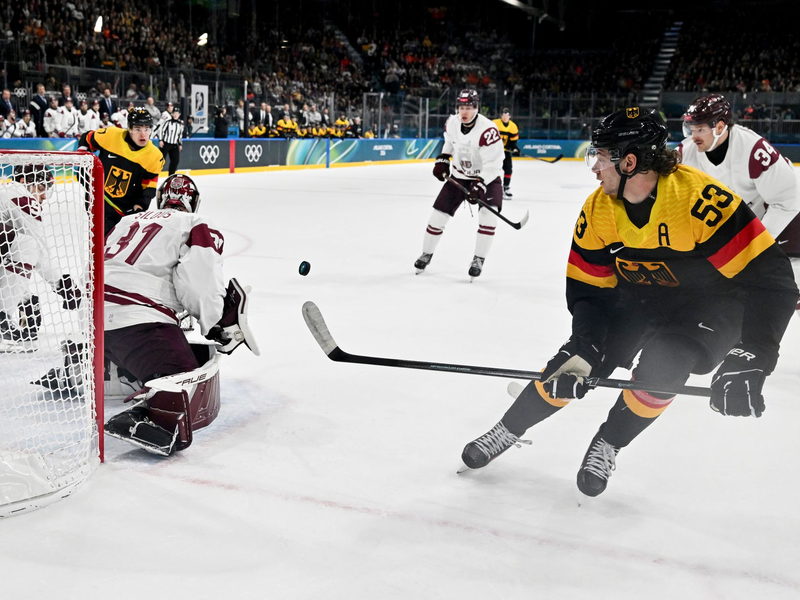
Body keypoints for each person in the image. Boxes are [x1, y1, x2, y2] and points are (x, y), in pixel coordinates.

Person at [459, 107, 798, 499]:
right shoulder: (598, 209)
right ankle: (508, 428)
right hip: (641, 296)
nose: (594, 167)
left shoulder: (701, 201)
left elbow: (772, 281)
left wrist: (754, 352)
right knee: (574, 363)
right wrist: (585, 341)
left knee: (664, 369)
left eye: (601, 157)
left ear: (630, 161)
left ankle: (610, 442)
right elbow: (590, 288)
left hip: (711, 305)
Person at [102, 174, 259, 455]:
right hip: (138, 321)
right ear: (193, 202)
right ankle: (144, 417)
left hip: (93, 319)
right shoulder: (192, 223)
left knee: (121, 338)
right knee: (186, 381)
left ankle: (106, 368)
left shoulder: (127, 221)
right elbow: (198, 280)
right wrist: (212, 323)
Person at [679, 94, 800, 305]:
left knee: (773, 255)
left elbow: (789, 199)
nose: (693, 136)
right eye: (691, 130)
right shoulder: (686, 152)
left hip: (782, 206)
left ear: (719, 127)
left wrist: (757, 242)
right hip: (739, 209)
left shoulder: (753, 149)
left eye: (699, 130)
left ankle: (791, 287)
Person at [413, 89, 504, 279]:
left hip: (486, 177)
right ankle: (426, 254)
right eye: (461, 107)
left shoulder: (488, 130)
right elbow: (449, 143)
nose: (464, 112)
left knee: (489, 216)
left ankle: (479, 259)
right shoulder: (452, 123)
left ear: (476, 108)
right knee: (437, 216)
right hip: (459, 175)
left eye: (469, 108)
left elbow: (494, 165)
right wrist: (443, 159)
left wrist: (480, 184)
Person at [1, 165, 81, 351]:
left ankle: (9, 309)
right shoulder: (19, 196)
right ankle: (1, 318)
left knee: (15, 245)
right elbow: (40, 253)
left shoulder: (6, 192)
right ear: (24, 182)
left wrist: (24, 298)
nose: (44, 196)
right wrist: (63, 285)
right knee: (26, 245)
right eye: (41, 187)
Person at [79, 107, 165, 233]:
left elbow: (149, 185)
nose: (143, 134)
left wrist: (141, 205)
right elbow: (87, 139)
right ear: (129, 129)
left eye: (147, 129)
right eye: (137, 129)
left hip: (124, 213)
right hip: (97, 202)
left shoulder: (154, 156)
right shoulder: (111, 135)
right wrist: (83, 165)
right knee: (100, 248)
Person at [493, 108, 520, 199]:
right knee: (493, 169)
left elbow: (513, 142)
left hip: (505, 151)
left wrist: (515, 148)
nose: (505, 117)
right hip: (494, 151)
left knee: (508, 169)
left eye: (507, 115)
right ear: (501, 115)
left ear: (510, 116)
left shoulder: (513, 126)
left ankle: (506, 188)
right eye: (503, 115)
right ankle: (491, 188)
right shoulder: (495, 123)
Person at [159, 106, 185, 176]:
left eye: (177, 113)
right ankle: (154, 174)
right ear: (172, 114)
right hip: (166, 144)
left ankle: (171, 175)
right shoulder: (167, 122)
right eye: (174, 113)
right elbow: (161, 131)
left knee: (175, 161)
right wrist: (161, 140)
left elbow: (180, 135)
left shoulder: (180, 124)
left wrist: (180, 144)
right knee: (160, 160)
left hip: (174, 145)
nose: (176, 114)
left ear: (179, 114)